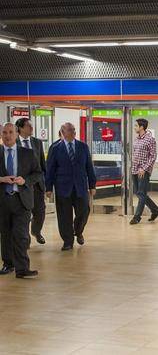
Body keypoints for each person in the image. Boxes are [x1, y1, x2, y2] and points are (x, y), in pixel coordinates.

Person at [45, 123, 96, 251]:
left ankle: (78, 231)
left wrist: (92, 185)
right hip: (63, 187)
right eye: (70, 130)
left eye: (74, 130)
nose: (73, 132)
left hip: (80, 187)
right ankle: (68, 241)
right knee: (64, 216)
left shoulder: (83, 147)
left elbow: (89, 167)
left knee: (84, 211)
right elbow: (50, 169)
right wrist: (48, 188)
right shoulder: (55, 148)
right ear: (63, 131)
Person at [0, 122, 41, 278]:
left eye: (10, 132)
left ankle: (22, 269)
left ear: (16, 134)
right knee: (5, 234)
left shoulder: (28, 153)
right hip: (3, 200)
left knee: (21, 234)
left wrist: (25, 181)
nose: (8, 135)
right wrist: (1, 179)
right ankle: (8, 264)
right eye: (4, 132)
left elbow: (38, 174)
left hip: (22, 200)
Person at [15, 118, 47, 245]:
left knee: (40, 212)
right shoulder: (14, 143)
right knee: (24, 214)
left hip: (37, 185)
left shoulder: (37, 143)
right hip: (22, 186)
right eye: (29, 126)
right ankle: (25, 238)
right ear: (20, 128)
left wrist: (45, 184)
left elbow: (42, 165)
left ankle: (36, 231)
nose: (32, 128)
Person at [129, 118, 158, 225]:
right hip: (134, 169)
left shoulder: (150, 139)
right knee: (139, 193)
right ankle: (155, 211)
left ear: (142, 127)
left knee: (141, 193)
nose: (134, 128)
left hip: (143, 170)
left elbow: (153, 156)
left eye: (136, 126)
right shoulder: (136, 139)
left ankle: (137, 217)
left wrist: (144, 168)